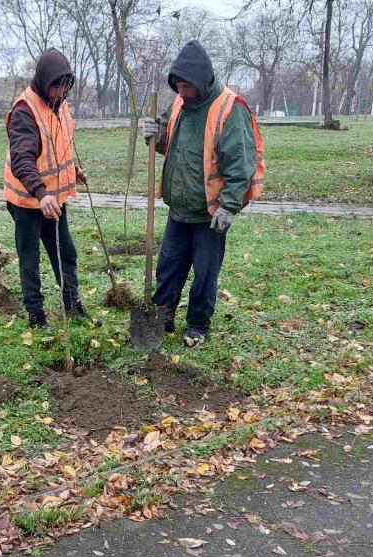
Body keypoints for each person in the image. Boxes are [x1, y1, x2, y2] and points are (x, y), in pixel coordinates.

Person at [142, 40, 265, 346]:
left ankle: (197, 325)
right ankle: (162, 317)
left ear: (201, 81)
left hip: (211, 213)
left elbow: (241, 165)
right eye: (177, 87)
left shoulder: (229, 108)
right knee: (168, 266)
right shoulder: (180, 104)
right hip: (179, 208)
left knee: (204, 274)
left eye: (186, 86)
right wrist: (154, 135)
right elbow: (167, 141)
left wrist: (228, 207)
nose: (181, 93)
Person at [3, 48, 89, 329]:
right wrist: (41, 194)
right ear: (43, 80)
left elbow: (59, 147)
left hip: (55, 199)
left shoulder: (60, 106)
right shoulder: (24, 111)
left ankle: (72, 304)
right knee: (30, 258)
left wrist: (71, 171)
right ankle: (36, 314)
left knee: (65, 252)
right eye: (56, 85)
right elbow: (22, 159)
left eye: (65, 86)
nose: (60, 92)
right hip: (27, 200)